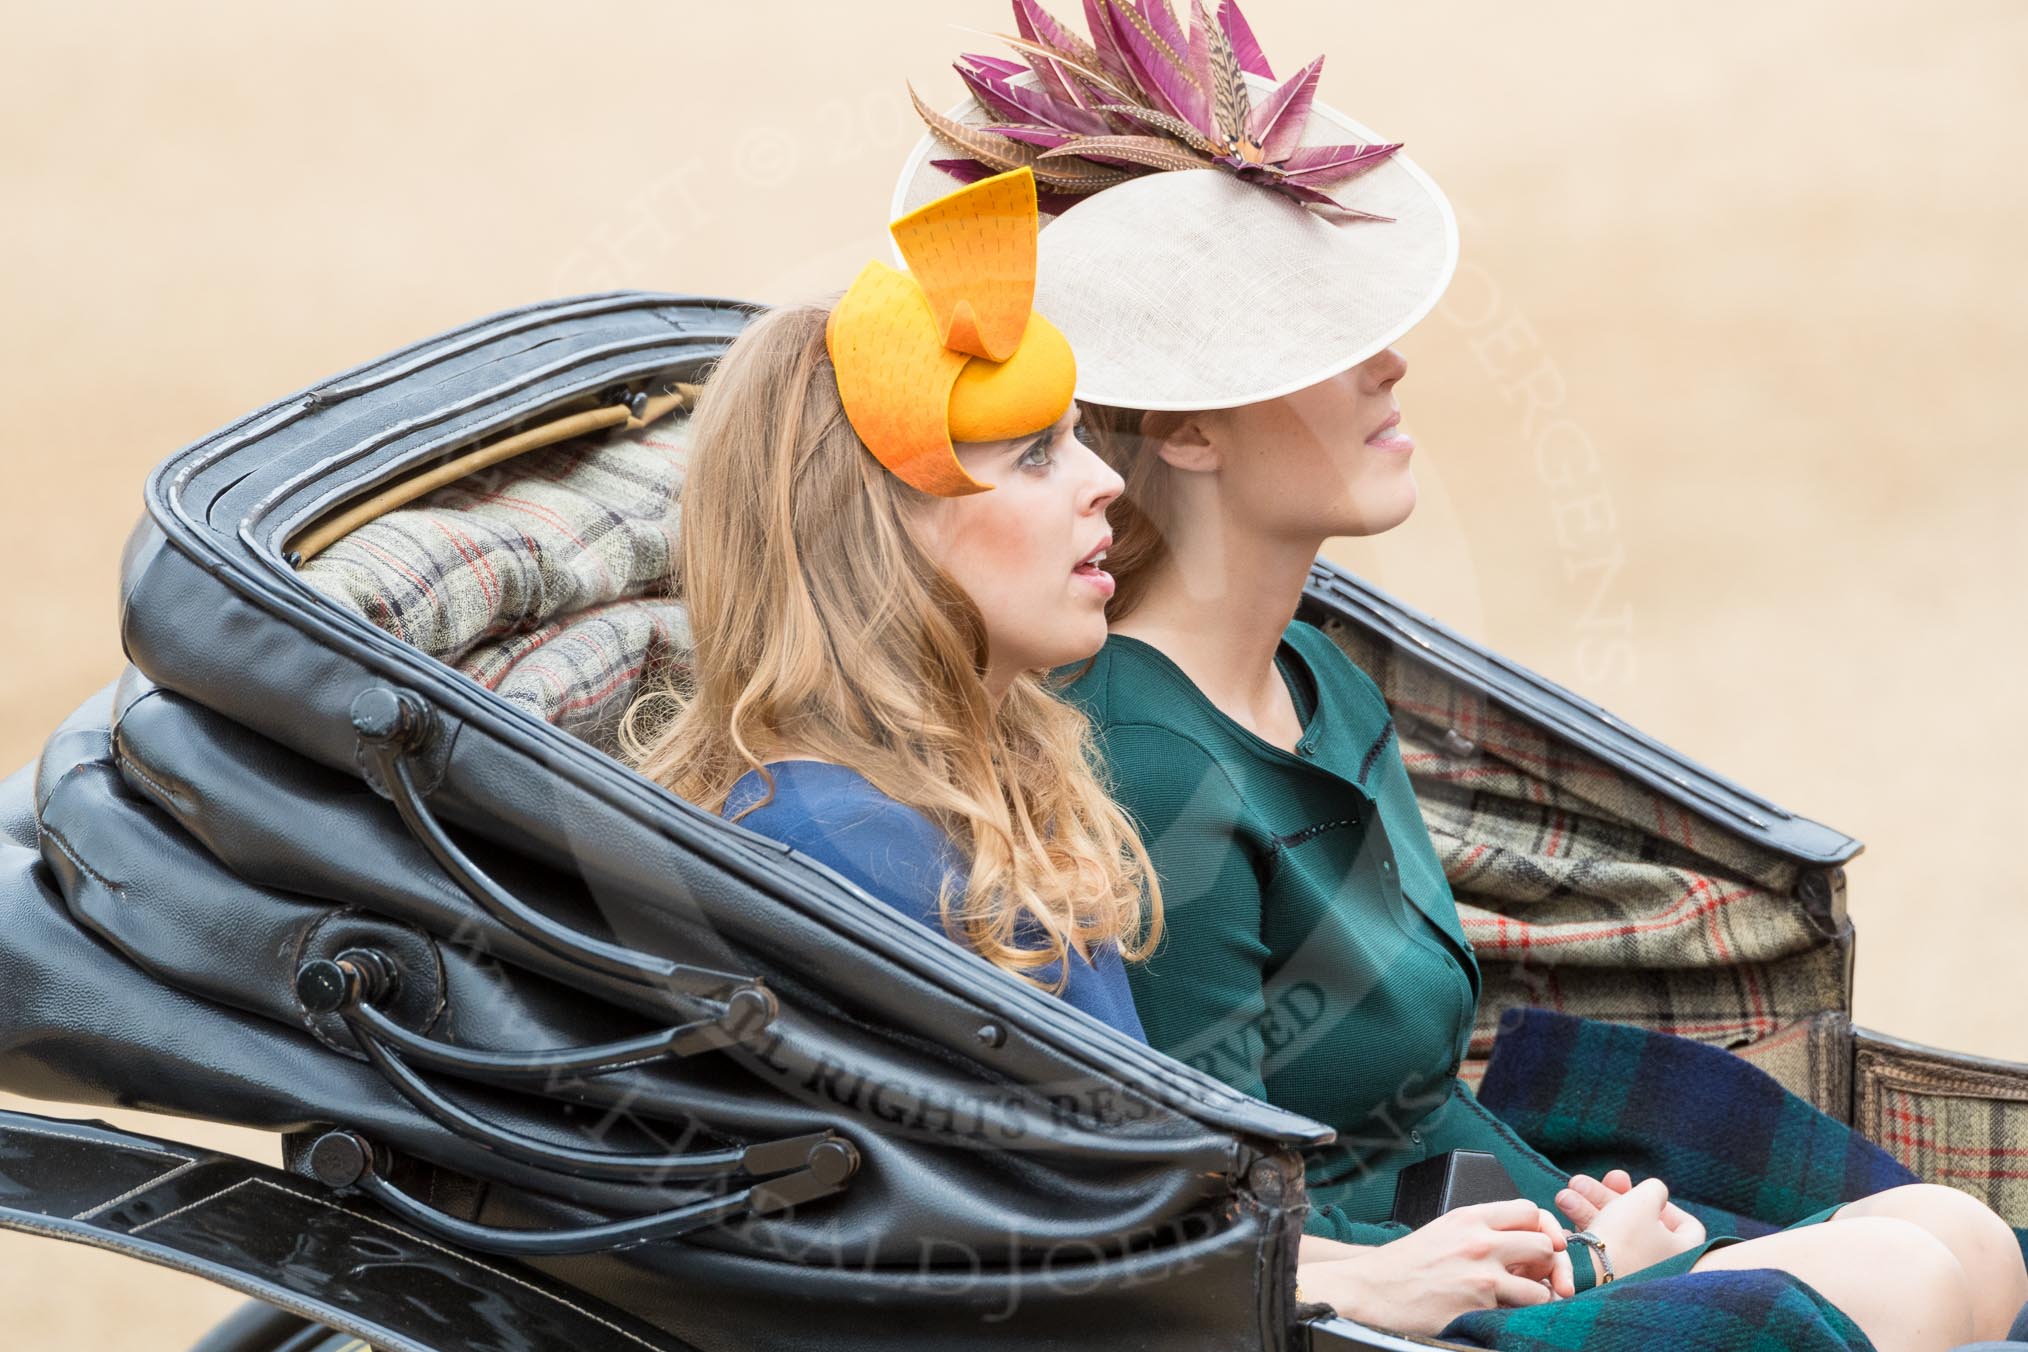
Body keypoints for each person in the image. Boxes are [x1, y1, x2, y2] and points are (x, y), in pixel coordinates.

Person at [889, 4, 2028, 1348]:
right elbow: (1225, 1230)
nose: (1390, 361)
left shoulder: (1319, 675)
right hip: (1392, 1310)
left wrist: (1563, 1220)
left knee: (1961, 1239)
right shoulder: (1141, 759)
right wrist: (1591, 1268)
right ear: (1189, 430)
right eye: (1315, 342)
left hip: (1487, 1220)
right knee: (1924, 1278)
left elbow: (1406, 1114)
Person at [620, 165, 1157, 1040]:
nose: (1107, 481)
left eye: (1080, 439)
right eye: (1034, 454)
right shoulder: (838, 846)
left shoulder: (978, 785)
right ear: (872, 532)